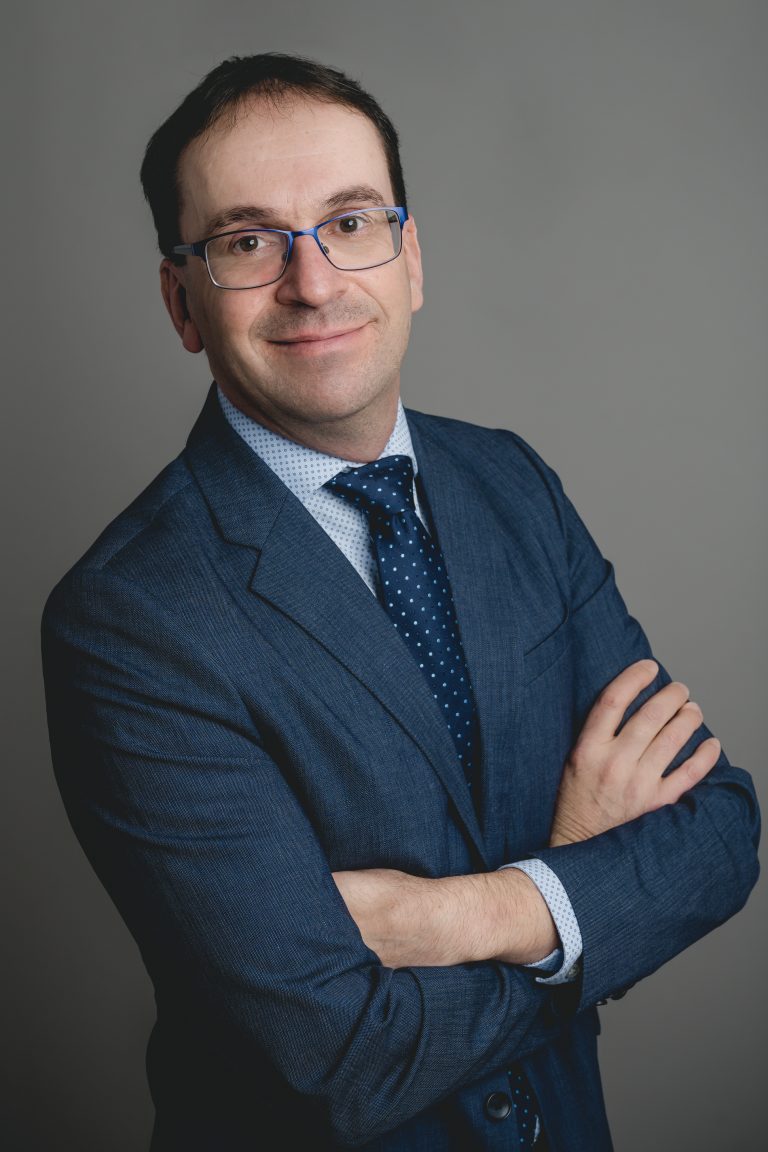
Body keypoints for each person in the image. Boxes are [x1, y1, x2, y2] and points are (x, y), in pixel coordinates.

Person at [41, 53, 759, 1152]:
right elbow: (343, 1062)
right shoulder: (129, 619)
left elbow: (718, 836)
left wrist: (462, 913)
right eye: (248, 243)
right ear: (182, 302)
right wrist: (583, 888)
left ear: (410, 258)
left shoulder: (511, 484)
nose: (313, 281)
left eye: (351, 222)